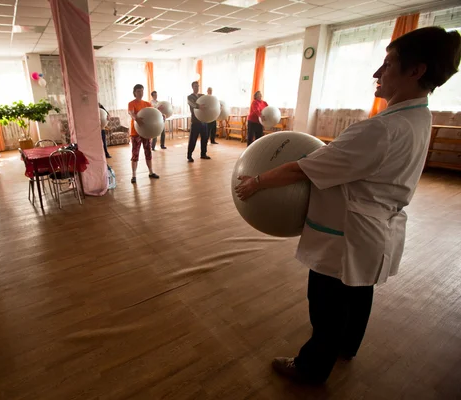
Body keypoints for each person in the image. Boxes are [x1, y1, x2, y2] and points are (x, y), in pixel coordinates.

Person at [235, 27, 461, 384]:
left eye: (387, 65)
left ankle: (310, 369)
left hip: (347, 233)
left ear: (416, 71)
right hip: (374, 230)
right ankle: (347, 346)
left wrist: (256, 182)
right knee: (358, 290)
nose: (377, 73)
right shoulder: (419, 118)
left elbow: (301, 167)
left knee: (327, 304)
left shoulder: (380, 130)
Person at [128, 84, 160, 184]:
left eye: (142, 91)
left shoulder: (146, 103)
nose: (140, 93)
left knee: (148, 152)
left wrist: (161, 114)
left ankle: (151, 172)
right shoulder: (131, 103)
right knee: (135, 154)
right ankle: (133, 175)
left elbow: (154, 113)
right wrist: (136, 118)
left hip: (146, 132)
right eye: (138, 91)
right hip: (135, 132)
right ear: (134, 92)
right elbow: (131, 113)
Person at [187, 81, 211, 162]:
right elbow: (191, 103)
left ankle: (203, 154)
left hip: (204, 121)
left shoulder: (202, 96)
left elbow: (209, 102)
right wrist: (198, 106)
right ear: (192, 87)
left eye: (198, 86)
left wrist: (218, 106)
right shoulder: (190, 97)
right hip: (195, 121)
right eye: (195, 86)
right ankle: (189, 156)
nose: (197, 88)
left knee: (205, 138)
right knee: (193, 139)